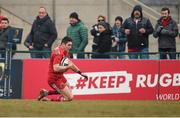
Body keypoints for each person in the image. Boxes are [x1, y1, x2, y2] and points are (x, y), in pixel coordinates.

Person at [37, 36, 88, 102]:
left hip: (60, 76)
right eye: (69, 45)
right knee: (70, 98)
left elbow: (71, 64)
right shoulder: (58, 53)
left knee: (68, 89)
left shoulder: (65, 52)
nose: (70, 47)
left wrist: (80, 73)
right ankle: (48, 100)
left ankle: (46, 93)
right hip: (54, 79)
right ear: (63, 44)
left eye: (71, 45)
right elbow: (56, 68)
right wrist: (67, 67)